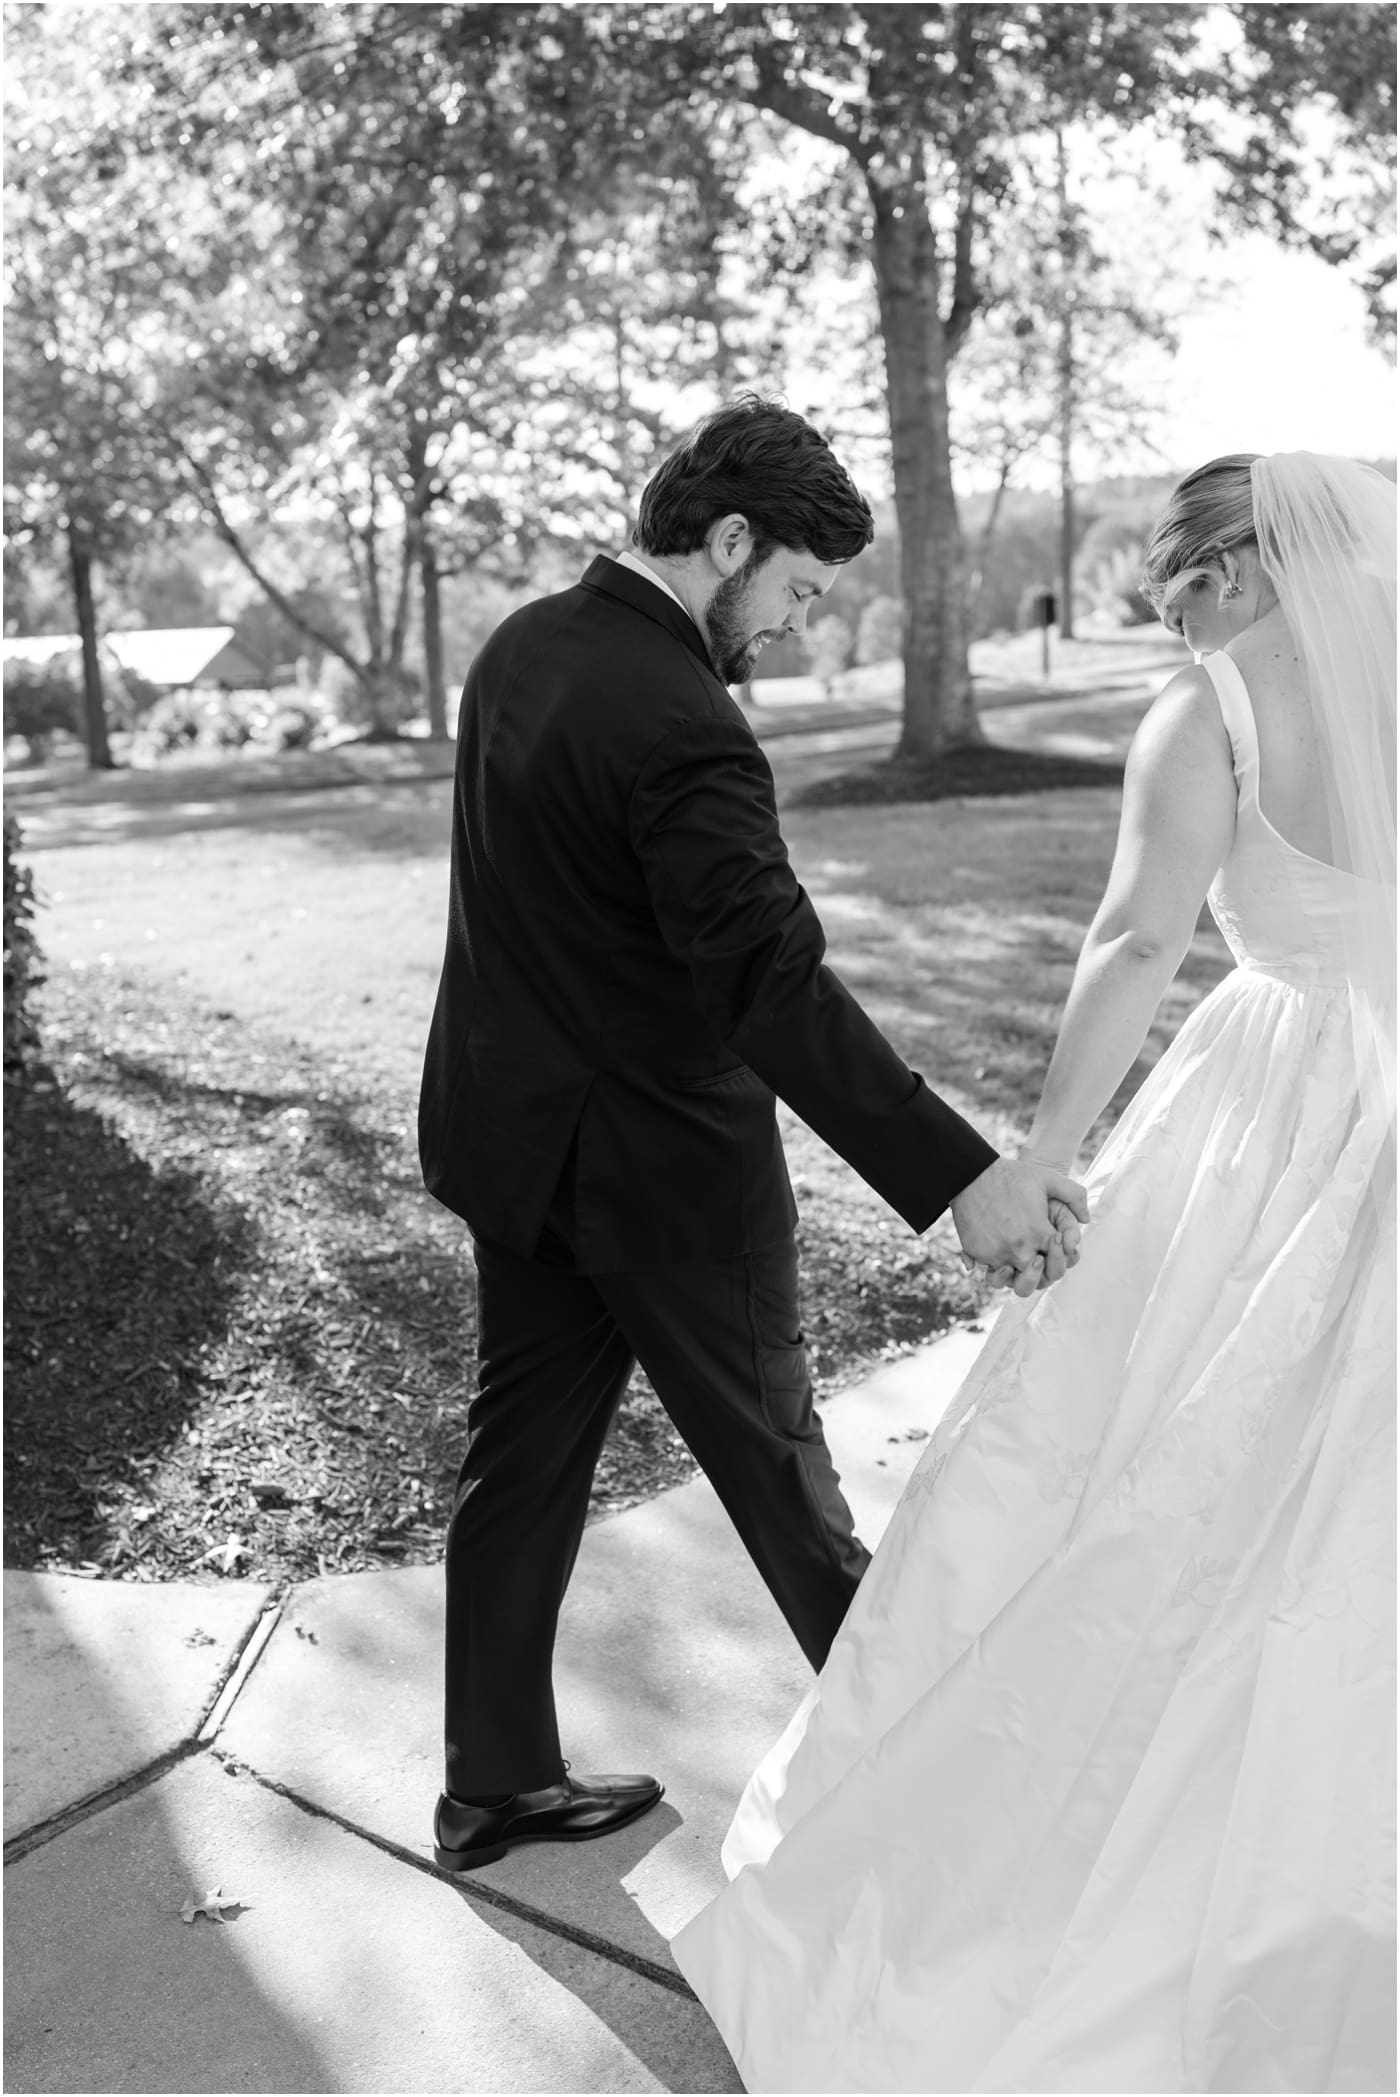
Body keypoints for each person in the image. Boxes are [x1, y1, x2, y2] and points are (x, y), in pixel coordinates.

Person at [671, 451, 1397, 2094]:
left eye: (1176, 576)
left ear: (1238, 564)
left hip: (1281, 1102)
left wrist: (1050, 1151)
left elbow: (1138, 941)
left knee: (1179, 1467)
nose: (1167, 605)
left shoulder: (1212, 711)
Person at [417, 395, 1087, 1874]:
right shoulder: (684, 722)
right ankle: (951, 1811)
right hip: (665, 1179)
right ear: (726, 540)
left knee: (517, 1463)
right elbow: (765, 984)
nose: (790, 624)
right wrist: (961, 1172)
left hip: (513, 1146)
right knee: (788, 1486)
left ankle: (494, 1782)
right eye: (791, 588)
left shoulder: (522, 645)